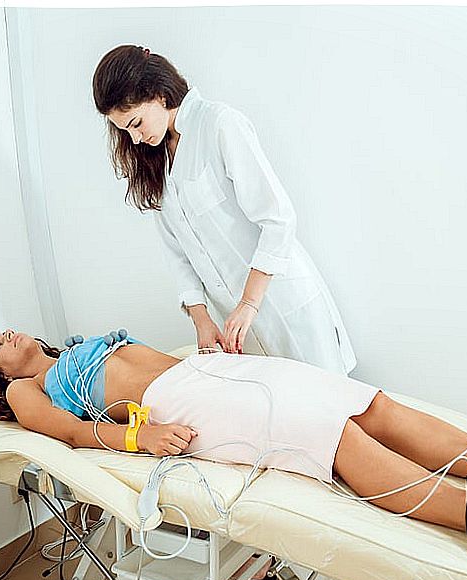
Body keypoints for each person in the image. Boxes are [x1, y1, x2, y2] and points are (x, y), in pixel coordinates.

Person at [0, 328, 467, 558]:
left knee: (362, 402)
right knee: (332, 436)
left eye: (7, 331)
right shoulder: (25, 391)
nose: (7, 335)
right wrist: (141, 435)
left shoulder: (73, 345)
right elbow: (70, 433)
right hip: (180, 406)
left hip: (207, 372)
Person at [92, 45, 355, 375]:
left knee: (335, 409)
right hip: (239, 326)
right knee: (286, 418)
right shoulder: (157, 163)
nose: (134, 137)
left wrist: (248, 304)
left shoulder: (219, 125)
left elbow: (278, 220)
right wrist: (201, 319)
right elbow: (177, 253)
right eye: (124, 130)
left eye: (136, 123)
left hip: (285, 307)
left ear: (158, 94)